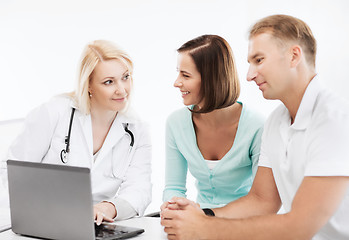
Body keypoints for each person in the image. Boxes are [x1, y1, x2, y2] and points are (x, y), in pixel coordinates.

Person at [161, 15, 349, 240]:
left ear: (293, 56)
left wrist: (203, 228)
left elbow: (301, 226)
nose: (249, 75)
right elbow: (262, 200)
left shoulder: (334, 119)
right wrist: (203, 215)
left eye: (258, 60)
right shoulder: (276, 122)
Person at [1, 40, 152, 224]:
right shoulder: (55, 112)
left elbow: (140, 189)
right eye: (109, 82)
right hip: (42, 218)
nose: (122, 90)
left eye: (126, 77)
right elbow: (13, 171)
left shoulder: (137, 129)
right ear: (88, 85)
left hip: (95, 224)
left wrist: (107, 208)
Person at [162, 35, 264, 210]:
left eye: (185, 75)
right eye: (178, 73)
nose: (176, 82)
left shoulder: (257, 126)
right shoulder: (176, 123)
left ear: (212, 79)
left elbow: (262, 199)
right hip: (199, 218)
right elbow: (174, 187)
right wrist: (173, 207)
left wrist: (208, 218)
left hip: (245, 220)